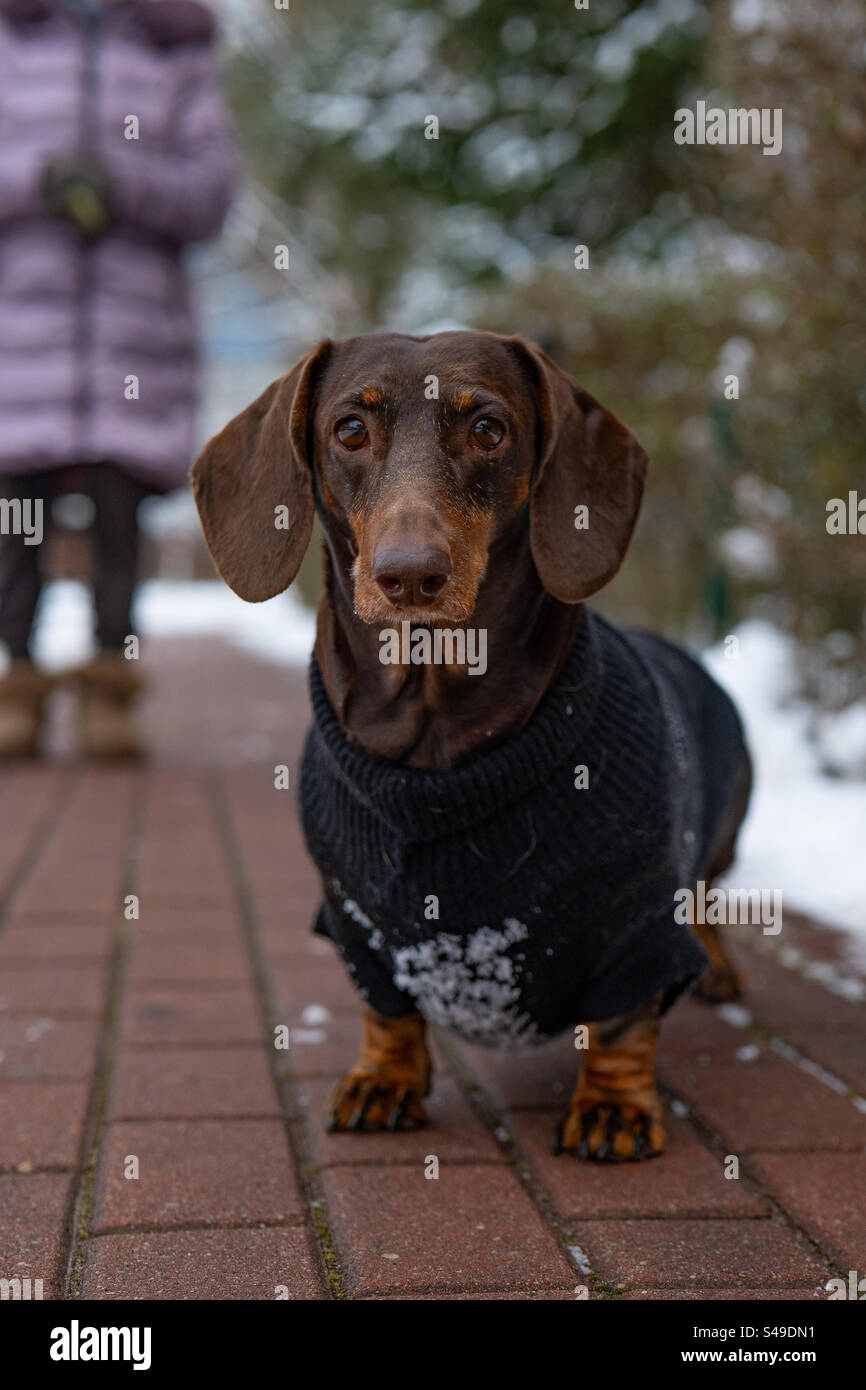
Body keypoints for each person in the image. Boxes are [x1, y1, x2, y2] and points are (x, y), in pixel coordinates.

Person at [0, 0, 236, 756]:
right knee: (15, 519)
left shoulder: (176, 53)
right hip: (21, 333)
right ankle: (18, 682)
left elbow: (211, 191)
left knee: (116, 508)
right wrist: (41, 180)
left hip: (133, 337)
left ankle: (110, 689)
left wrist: (120, 183)